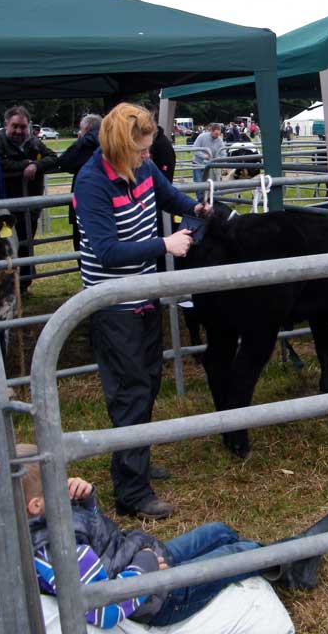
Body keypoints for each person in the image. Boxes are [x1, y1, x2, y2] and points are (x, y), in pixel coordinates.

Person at [16, 443, 328, 628]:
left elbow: (99, 540)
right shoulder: (57, 551)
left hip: (144, 558)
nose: (67, 483)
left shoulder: (52, 520)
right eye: (58, 484)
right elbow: (101, 610)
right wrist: (144, 570)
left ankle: (289, 564)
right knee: (240, 551)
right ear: (36, 505)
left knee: (218, 531)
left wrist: (85, 503)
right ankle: (299, 557)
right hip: (160, 598)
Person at [74, 103, 208, 519]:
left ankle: (138, 461)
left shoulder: (143, 170)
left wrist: (196, 208)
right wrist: (164, 246)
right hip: (113, 303)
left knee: (148, 383)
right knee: (130, 392)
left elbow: (168, 197)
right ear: (119, 147)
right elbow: (108, 251)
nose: (149, 156)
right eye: (142, 150)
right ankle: (131, 493)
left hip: (145, 294)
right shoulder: (92, 182)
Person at [0, 106, 59, 292]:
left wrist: (36, 166)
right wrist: (25, 164)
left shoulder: (33, 143)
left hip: (30, 207)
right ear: (6, 124)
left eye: (22, 127)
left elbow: (53, 158)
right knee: (5, 248)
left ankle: (23, 284)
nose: (18, 131)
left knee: (26, 245)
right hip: (6, 208)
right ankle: (6, 286)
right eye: (14, 126)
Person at [58, 113, 102, 251]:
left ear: (87, 129)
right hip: (104, 203)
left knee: (82, 246)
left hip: (84, 203)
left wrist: (80, 140)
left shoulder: (86, 142)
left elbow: (64, 162)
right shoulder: (109, 141)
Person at [191, 123, 225, 202]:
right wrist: (204, 156)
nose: (217, 136)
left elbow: (223, 153)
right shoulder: (202, 137)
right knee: (199, 183)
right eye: (216, 134)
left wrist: (219, 159)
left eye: (219, 134)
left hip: (210, 166)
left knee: (210, 183)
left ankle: (211, 200)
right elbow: (195, 149)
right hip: (198, 164)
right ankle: (200, 201)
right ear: (211, 131)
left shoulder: (219, 140)